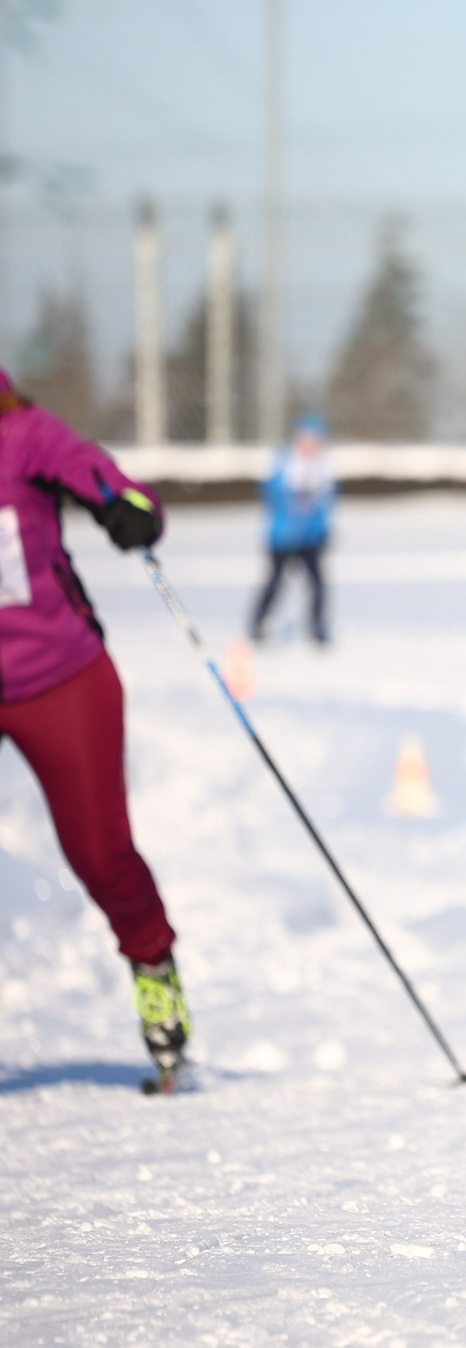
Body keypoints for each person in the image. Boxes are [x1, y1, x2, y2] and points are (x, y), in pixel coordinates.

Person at [0, 368, 186, 1086]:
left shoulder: (24, 435)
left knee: (100, 853)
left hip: (60, 677)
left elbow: (115, 484)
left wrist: (129, 510)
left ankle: (154, 967)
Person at [250, 415, 334, 646]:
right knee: (275, 582)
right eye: (306, 439)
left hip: (312, 538)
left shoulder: (323, 470)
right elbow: (271, 495)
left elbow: (327, 504)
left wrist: (323, 530)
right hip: (282, 538)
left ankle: (317, 627)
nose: (310, 445)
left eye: (315, 440)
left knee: (317, 583)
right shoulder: (283, 465)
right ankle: (257, 624)